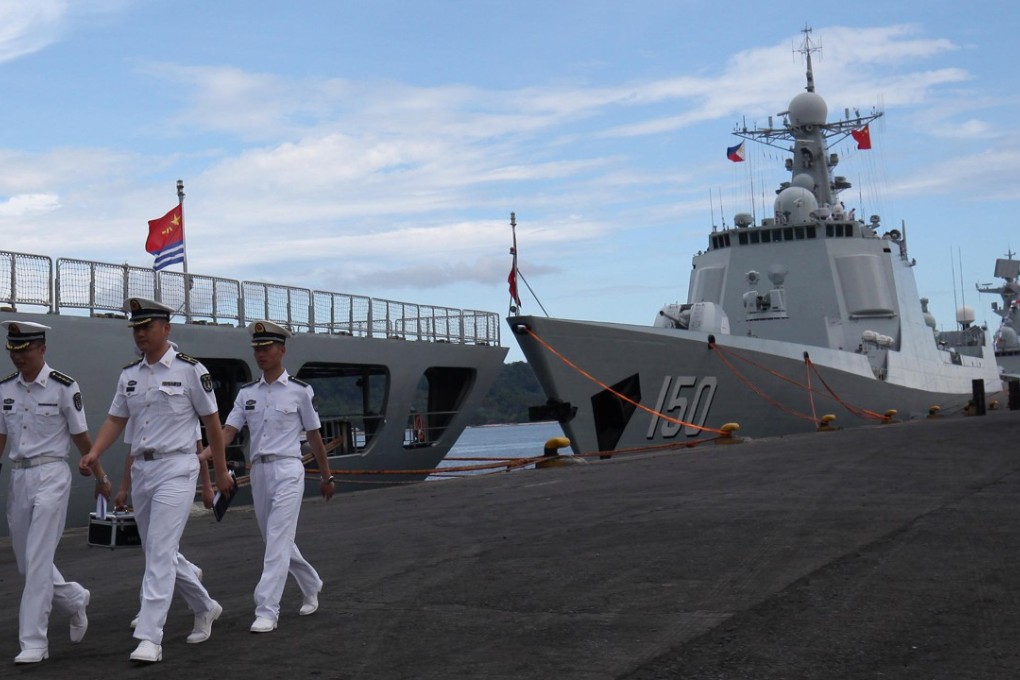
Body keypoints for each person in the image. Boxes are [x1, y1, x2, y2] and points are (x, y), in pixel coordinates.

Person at [78, 298, 232, 664]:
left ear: (166, 329)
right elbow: (116, 420)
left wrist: (220, 471)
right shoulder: (129, 374)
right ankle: (205, 606)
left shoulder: (191, 370)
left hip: (178, 466)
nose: (140, 333)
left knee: (160, 551)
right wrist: (95, 452)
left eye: (147, 327)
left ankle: (149, 637)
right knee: (156, 551)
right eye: (136, 328)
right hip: (144, 470)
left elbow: (212, 423)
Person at [0, 320, 112, 664]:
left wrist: (100, 474)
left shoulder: (64, 387)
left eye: (25, 350)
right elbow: (1, 438)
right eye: (13, 350)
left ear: (42, 349)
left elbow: (81, 437)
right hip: (19, 477)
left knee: (37, 560)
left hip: (51, 474)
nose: (18, 357)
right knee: (27, 562)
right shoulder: (5, 389)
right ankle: (74, 598)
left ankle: (34, 642)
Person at [217, 320, 334, 634]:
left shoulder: (300, 391)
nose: (260, 353)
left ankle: (267, 609)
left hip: (288, 469)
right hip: (259, 472)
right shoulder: (247, 393)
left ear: (281, 350)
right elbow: (228, 431)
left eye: (266, 348)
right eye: (256, 348)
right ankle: (311, 582)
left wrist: (327, 476)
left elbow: (315, 436)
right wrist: (207, 453)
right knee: (275, 540)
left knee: (278, 539)